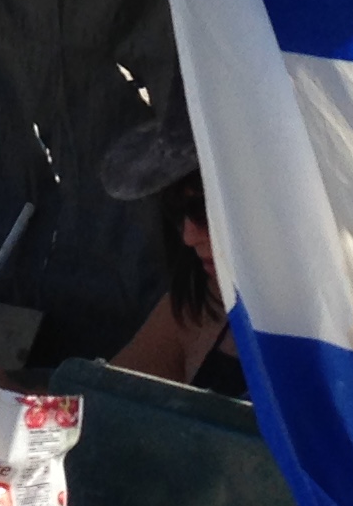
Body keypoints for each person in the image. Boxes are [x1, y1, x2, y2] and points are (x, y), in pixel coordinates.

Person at [99, 99, 244, 397]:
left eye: (206, 208)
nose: (189, 237)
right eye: (176, 209)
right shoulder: (201, 305)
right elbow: (101, 407)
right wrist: (8, 397)